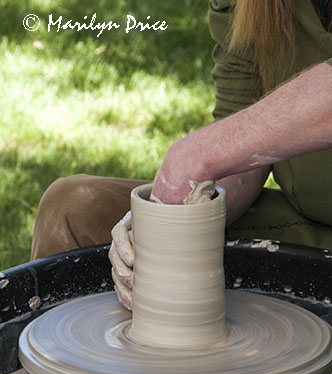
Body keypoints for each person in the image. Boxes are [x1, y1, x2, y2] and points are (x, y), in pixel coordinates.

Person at [31, 0, 332, 310]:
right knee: (72, 207)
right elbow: (244, 155)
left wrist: (202, 154)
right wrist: (171, 220)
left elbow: (229, 144)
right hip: (309, 225)